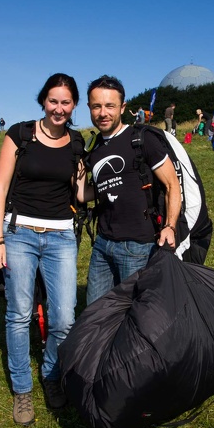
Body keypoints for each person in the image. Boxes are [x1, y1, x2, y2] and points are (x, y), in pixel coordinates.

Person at [0, 73, 85, 426]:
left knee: (63, 318)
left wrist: (121, 189)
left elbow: (79, 193)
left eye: (66, 102)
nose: (59, 108)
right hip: (18, 234)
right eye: (53, 101)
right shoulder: (20, 134)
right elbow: (0, 188)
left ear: (73, 105)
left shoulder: (77, 143)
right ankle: (22, 389)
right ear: (43, 101)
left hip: (61, 237)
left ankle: (49, 375)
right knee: (19, 313)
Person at [79, 75, 182, 306]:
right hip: (102, 244)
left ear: (123, 107)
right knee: (96, 313)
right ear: (89, 107)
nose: (103, 113)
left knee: (134, 313)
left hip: (137, 246)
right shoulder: (93, 149)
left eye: (110, 106)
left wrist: (170, 226)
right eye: (96, 106)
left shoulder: (141, 138)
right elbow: (85, 195)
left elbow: (171, 184)